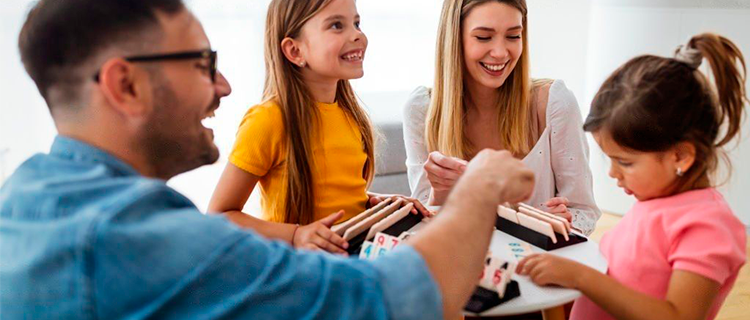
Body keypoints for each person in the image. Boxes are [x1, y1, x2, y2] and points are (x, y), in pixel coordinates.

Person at [0, 0, 535, 319]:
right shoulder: (141, 236)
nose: (225, 85)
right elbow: (392, 298)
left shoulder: (27, 196)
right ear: (126, 84)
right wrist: (479, 187)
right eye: (201, 63)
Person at [518, 33, 747, 320]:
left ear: (681, 156)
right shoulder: (656, 201)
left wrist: (582, 278)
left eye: (624, 162)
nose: (613, 174)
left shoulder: (708, 227)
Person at [208, 0, 429, 255]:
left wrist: (377, 203)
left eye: (356, 23)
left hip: (348, 257)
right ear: (295, 51)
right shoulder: (268, 120)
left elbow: (333, 196)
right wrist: (296, 234)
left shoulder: (350, 115)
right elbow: (218, 216)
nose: (357, 35)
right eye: (337, 25)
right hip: (300, 268)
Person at [403, 0, 600, 235]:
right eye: (484, 37)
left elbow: (584, 210)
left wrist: (563, 226)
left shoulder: (553, 103)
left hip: (537, 265)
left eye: (513, 36)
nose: (500, 53)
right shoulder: (422, 110)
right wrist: (440, 194)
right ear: (454, 39)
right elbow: (421, 225)